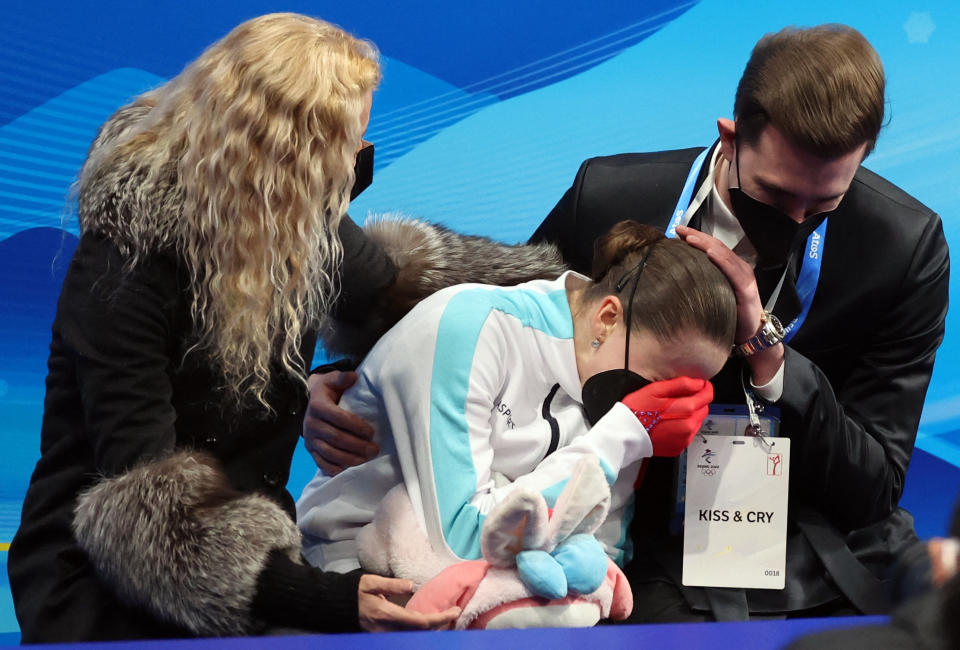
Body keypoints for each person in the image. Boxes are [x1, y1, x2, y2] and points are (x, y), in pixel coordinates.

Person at [304, 24, 950, 622]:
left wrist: (769, 354)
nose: (801, 217)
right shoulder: (611, 197)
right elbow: (496, 321)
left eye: (827, 202)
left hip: (810, 550)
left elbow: (874, 485)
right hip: (630, 541)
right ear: (730, 138)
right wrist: (346, 382)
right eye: (779, 197)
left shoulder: (903, 247)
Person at [8, 13, 468, 642]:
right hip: (105, 580)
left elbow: (393, 291)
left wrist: (567, 293)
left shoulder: (292, 217)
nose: (361, 161)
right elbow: (147, 506)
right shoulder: (127, 257)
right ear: (286, 153)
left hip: (250, 562)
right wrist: (329, 601)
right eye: (350, 145)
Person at [297, 222, 735, 587]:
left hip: (498, 594)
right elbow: (460, 540)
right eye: (662, 383)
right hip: (352, 576)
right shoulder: (471, 327)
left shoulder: (621, 384)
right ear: (607, 316)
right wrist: (619, 437)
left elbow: (603, 552)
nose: (665, 402)